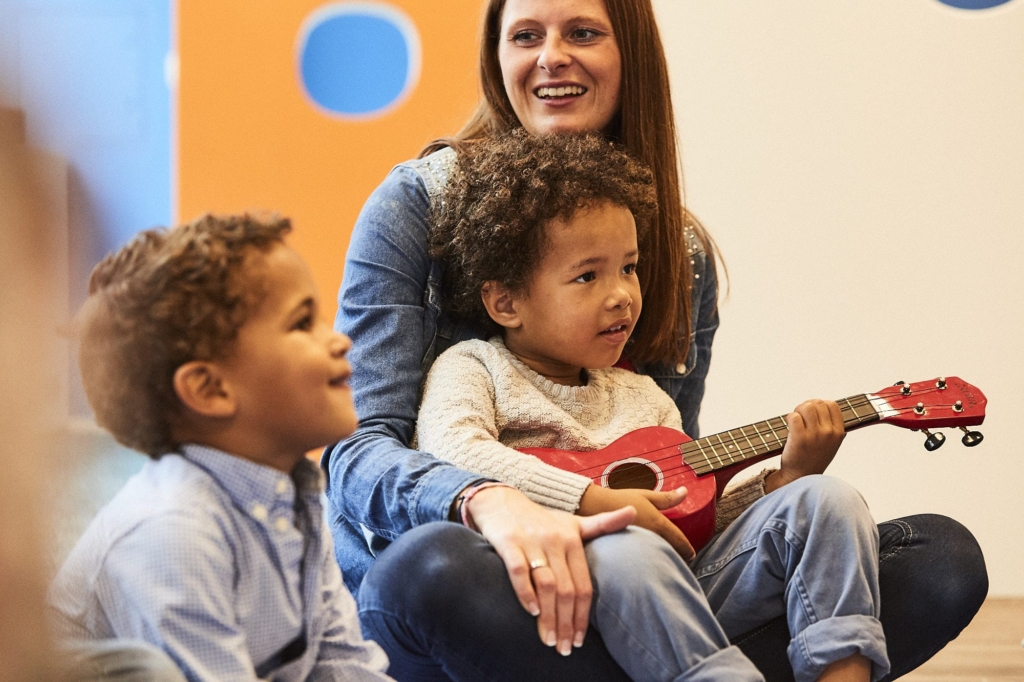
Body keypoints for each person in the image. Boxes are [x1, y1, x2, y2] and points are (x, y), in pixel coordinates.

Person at [323, 0, 988, 679]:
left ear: (630, 53)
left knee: (938, 559)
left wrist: (782, 481)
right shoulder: (419, 215)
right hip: (484, 581)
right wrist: (494, 501)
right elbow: (359, 452)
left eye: (582, 32)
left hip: (643, 594)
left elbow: (672, 492)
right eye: (526, 35)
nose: (551, 55)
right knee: (435, 567)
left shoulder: (681, 262)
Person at [417, 130, 888, 681]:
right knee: (627, 548)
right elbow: (450, 453)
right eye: (588, 275)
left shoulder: (644, 397)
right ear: (506, 301)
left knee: (827, 498)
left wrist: (785, 479)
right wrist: (591, 500)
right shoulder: (473, 367)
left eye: (629, 267)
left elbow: (685, 518)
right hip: (551, 607)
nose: (622, 294)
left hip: (668, 599)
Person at [49, 214, 392, 681]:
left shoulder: (296, 497)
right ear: (210, 389)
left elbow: (343, 664)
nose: (339, 340)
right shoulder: (173, 533)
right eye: (302, 323)